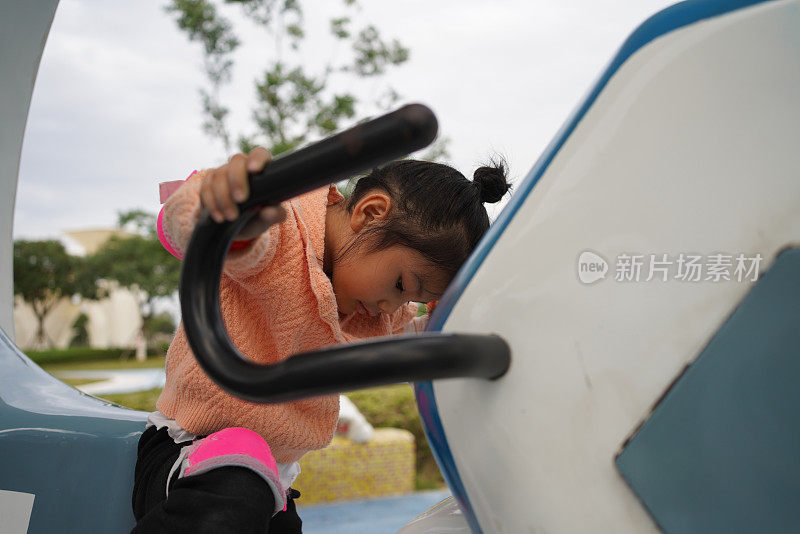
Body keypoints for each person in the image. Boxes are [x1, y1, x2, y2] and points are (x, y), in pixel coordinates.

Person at [131, 147, 511, 533]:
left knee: (253, 495)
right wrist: (227, 216)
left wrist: (451, 324)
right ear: (371, 212)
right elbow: (199, 231)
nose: (391, 305)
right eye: (401, 285)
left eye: (408, 299)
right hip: (188, 455)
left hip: (269, 481)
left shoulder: (372, 308)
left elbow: (408, 341)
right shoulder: (282, 233)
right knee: (236, 492)